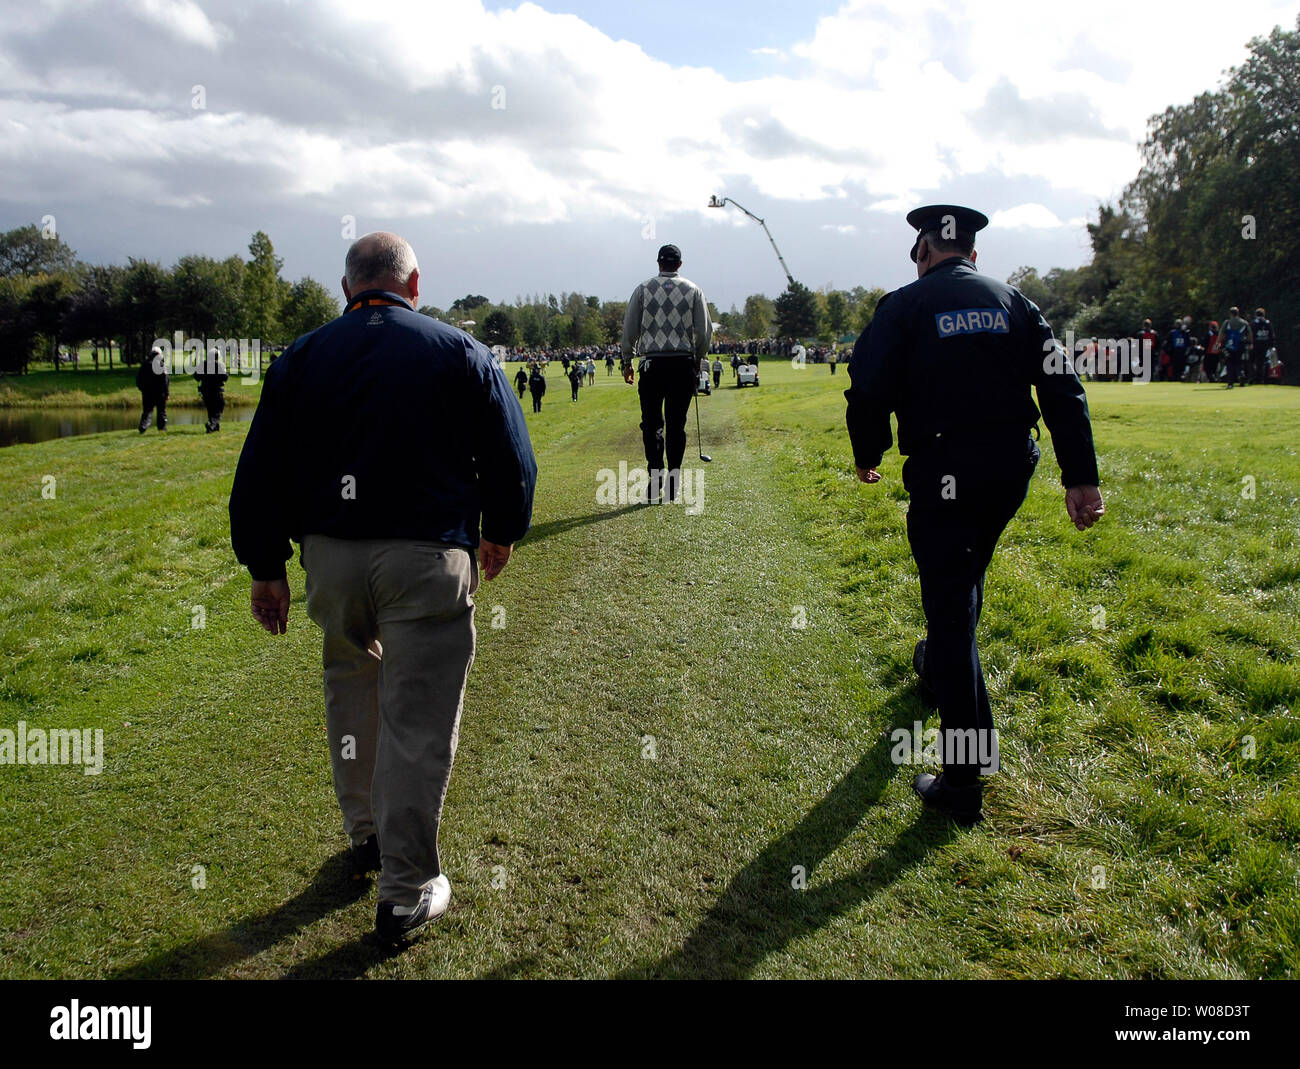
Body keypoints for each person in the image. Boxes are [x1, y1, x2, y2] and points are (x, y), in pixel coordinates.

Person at [228, 232, 537, 945]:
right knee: (415, 720)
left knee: (351, 688)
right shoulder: (457, 349)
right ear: (414, 284)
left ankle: (365, 833)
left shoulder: (302, 356)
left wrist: (264, 565)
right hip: (424, 556)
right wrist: (502, 526)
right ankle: (404, 888)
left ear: (347, 289)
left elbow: (261, 471)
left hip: (331, 559)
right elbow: (508, 452)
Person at [845, 204, 1102, 825]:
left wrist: (866, 453)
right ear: (974, 253)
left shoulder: (902, 306)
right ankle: (938, 673)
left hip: (944, 473)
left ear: (923, 251)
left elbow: (867, 388)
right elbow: (1061, 386)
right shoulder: (1015, 302)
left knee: (951, 609)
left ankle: (963, 780)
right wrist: (1081, 477)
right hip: (1011, 467)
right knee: (963, 583)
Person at [621, 244, 712, 502]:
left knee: (651, 425)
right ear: (679, 264)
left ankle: (655, 480)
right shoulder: (693, 290)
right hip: (682, 364)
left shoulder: (643, 289)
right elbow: (704, 332)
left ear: (658, 263)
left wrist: (627, 359)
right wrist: (698, 357)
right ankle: (673, 481)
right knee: (676, 424)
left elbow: (630, 328)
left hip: (652, 365)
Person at [136, 344, 169, 433]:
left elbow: (139, 379)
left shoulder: (144, 365)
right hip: (160, 393)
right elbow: (165, 380)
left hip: (147, 393)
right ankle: (162, 428)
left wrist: (142, 389)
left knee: (147, 411)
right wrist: (166, 393)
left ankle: (143, 426)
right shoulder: (161, 365)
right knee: (161, 411)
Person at [194, 347, 229, 432]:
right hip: (216, 390)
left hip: (205, 390)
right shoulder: (219, 365)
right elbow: (225, 377)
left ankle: (214, 427)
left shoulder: (203, 364)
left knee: (210, 409)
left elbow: (196, 376)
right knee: (220, 407)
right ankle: (212, 424)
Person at [1218, 308, 1252, 388]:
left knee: (1229, 363)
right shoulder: (1244, 323)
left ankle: (1230, 382)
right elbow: (1249, 334)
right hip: (1240, 345)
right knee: (1238, 362)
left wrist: (1219, 342)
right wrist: (1250, 343)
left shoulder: (1227, 322)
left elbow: (1221, 333)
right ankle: (1241, 374)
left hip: (1229, 345)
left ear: (1230, 313)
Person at [1250, 307, 1273, 385]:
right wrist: (1271, 345)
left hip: (1256, 345)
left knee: (1251, 361)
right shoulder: (1268, 323)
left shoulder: (1254, 323)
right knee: (1261, 363)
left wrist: (1250, 343)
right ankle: (1260, 378)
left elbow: (1251, 334)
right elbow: (1271, 335)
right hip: (1265, 346)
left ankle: (1254, 377)